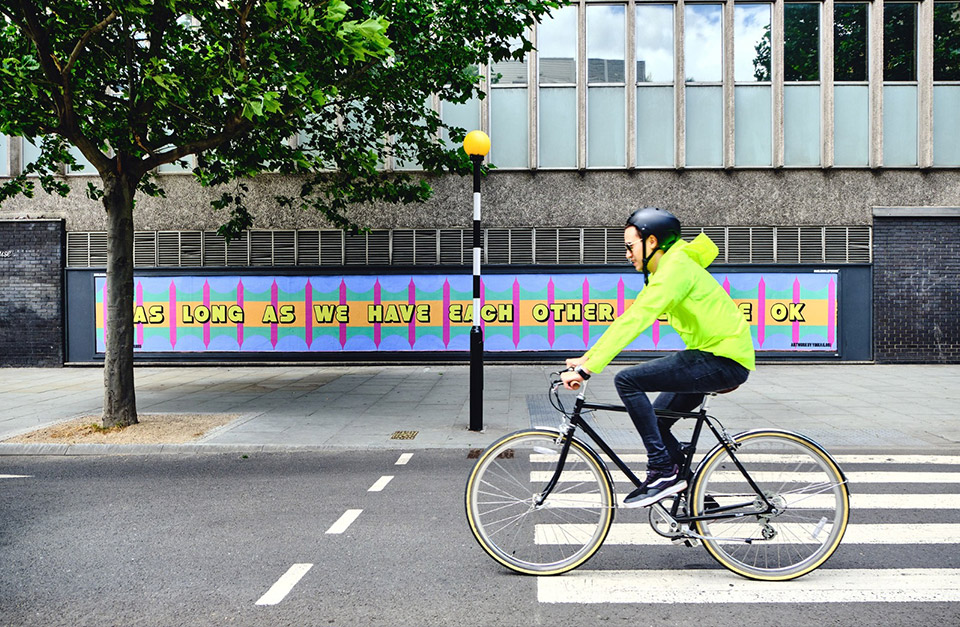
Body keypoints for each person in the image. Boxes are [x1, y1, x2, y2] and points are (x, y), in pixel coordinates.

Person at [561, 207, 755, 508]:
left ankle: (663, 471)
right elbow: (631, 317)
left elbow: (637, 318)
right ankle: (698, 500)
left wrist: (588, 369)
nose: (627, 254)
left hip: (721, 359)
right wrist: (587, 358)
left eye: (629, 246)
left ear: (652, 242)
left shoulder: (675, 269)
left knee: (627, 380)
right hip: (713, 356)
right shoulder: (670, 269)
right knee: (659, 421)